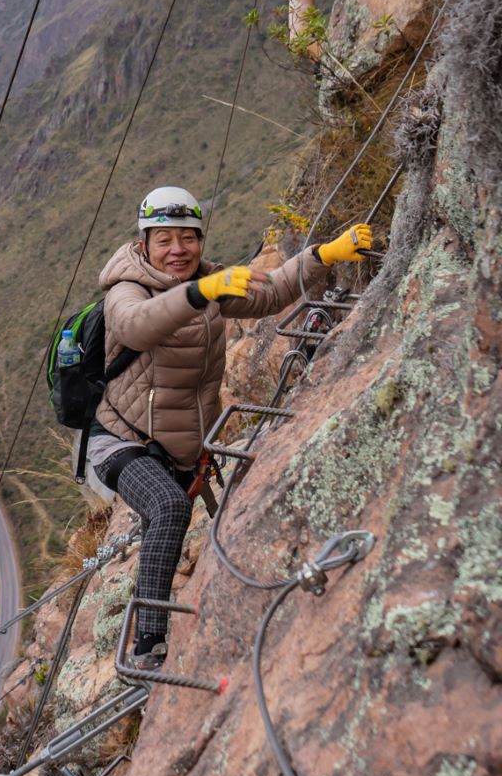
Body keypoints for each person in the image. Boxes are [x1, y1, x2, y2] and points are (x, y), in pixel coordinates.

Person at [88, 185, 372, 670]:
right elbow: (135, 326)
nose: (178, 250)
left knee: (180, 516)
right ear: (144, 244)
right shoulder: (126, 289)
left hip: (179, 447)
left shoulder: (211, 281)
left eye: (188, 238)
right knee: (169, 507)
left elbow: (272, 294)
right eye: (164, 240)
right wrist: (199, 293)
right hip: (119, 439)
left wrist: (322, 254)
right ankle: (147, 645)